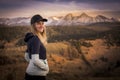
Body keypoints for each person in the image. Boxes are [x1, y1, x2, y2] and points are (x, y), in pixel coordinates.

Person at [24, 14, 49, 80]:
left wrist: (33, 65)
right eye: (38, 23)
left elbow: (26, 56)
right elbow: (35, 59)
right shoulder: (35, 39)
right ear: (33, 26)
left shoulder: (31, 38)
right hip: (36, 76)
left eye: (42, 23)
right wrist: (46, 67)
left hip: (33, 75)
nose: (41, 25)